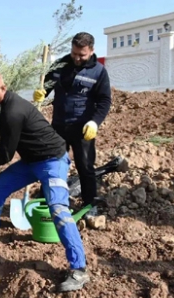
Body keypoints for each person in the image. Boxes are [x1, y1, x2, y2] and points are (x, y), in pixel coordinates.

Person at [0, 70, 90, 292]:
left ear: (3, 88)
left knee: (58, 209)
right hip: (31, 161)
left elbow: (5, 156)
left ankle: (79, 269)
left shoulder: (13, 112)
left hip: (52, 161)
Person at [33, 32, 112, 218]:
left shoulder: (99, 72)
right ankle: (50, 200)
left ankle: (89, 204)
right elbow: (48, 85)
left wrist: (95, 122)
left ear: (91, 51)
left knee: (85, 166)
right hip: (59, 125)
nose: (77, 58)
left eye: (81, 55)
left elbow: (104, 101)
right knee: (54, 163)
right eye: (74, 53)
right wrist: (42, 93)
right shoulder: (61, 64)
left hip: (83, 128)